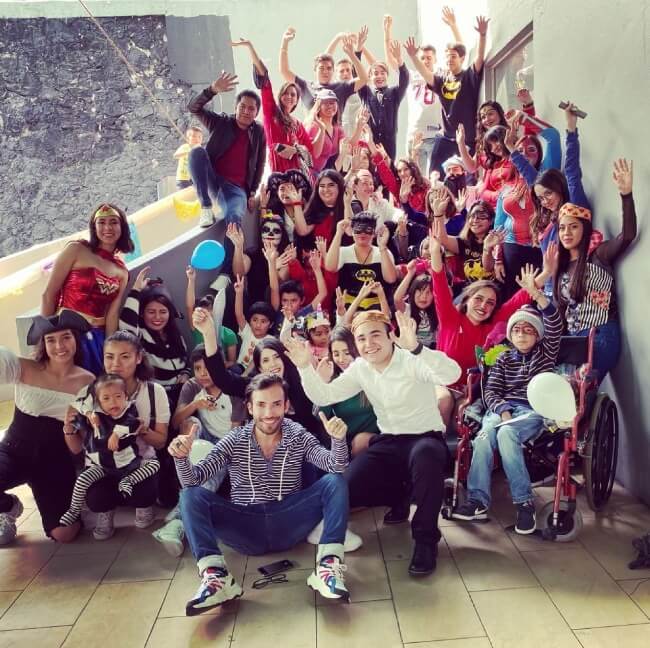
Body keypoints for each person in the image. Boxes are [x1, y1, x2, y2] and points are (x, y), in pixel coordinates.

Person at [285, 310, 461, 576]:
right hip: (388, 440)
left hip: (424, 437)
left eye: (376, 335)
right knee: (345, 487)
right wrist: (304, 367)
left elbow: (452, 374)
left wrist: (417, 348)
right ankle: (398, 496)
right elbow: (324, 395)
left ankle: (426, 542)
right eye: (362, 338)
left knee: (426, 456)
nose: (369, 344)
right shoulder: (361, 368)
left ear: (391, 335)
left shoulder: (411, 359)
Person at [170, 371, 352, 615]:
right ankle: (216, 578)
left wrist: (338, 440)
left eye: (276, 404)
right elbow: (193, 480)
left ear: (286, 405)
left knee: (335, 481)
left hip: (289, 521)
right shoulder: (234, 439)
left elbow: (335, 465)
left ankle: (328, 567)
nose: (269, 413)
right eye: (261, 405)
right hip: (246, 527)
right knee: (190, 495)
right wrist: (181, 458)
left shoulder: (297, 434)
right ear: (250, 408)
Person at [452, 272, 562, 534]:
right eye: (516, 330)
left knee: (507, 434)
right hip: (502, 409)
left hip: (532, 410)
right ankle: (478, 501)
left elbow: (555, 323)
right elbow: (491, 391)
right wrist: (502, 410)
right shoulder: (503, 359)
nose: (522, 334)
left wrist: (537, 295)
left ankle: (524, 503)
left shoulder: (545, 354)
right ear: (509, 335)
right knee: (482, 438)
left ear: (538, 336)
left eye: (528, 330)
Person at [0, 310, 94, 545]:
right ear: (43, 344)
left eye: (66, 337)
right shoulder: (23, 367)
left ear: (75, 340)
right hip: (13, 452)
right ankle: (8, 507)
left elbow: (80, 445)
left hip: (54, 462)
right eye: (51, 340)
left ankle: (70, 500)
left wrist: (70, 427)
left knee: (64, 534)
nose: (59, 346)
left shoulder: (88, 382)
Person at [77, 331, 170, 539]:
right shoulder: (90, 393)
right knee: (96, 498)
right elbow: (78, 446)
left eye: (125, 356)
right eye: (109, 357)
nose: (115, 364)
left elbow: (161, 442)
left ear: (138, 358)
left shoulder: (154, 392)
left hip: (137, 461)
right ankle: (105, 512)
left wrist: (140, 429)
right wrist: (69, 426)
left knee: (143, 491)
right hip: (103, 463)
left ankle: (144, 506)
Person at [553, 159, 636, 382]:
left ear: (585, 229)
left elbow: (627, 236)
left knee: (575, 388)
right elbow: (560, 312)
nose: (566, 233)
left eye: (573, 227)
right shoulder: (560, 267)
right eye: (562, 228)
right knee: (557, 386)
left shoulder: (598, 255)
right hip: (573, 341)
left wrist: (626, 195)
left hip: (599, 334)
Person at [41, 203, 132, 375]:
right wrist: (45, 340)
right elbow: (49, 294)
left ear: (122, 227)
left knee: (98, 385)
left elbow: (112, 315)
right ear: (94, 227)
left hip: (97, 339)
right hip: (68, 335)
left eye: (113, 222)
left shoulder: (122, 271)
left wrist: (110, 352)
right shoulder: (76, 250)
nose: (107, 227)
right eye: (101, 222)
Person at [58, 374, 161, 527]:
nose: (113, 402)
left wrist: (116, 434)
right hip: (101, 466)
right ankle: (74, 511)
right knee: (82, 480)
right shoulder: (95, 415)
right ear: (98, 402)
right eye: (106, 398)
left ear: (126, 396)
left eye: (118, 396)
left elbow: (133, 423)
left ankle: (128, 481)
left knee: (154, 465)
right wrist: (87, 415)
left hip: (128, 464)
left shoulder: (129, 409)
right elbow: (76, 405)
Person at [405, 16, 489, 177]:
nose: (449, 59)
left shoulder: (469, 76)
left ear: (462, 58)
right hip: (445, 137)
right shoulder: (441, 80)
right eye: (448, 56)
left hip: (466, 138)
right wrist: (413, 56)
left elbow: (479, 58)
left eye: (454, 56)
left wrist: (482, 35)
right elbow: (425, 73)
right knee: (434, 176)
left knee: (466, 178)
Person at [187, 71, 266, 228]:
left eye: (251, 109)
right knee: (196, 152)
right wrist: (212, 90)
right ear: (236, 107)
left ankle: (233, 245)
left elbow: (260, 163)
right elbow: (193, 108)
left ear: (256, 112)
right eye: (242, 106)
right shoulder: (221, 122)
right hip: (213, 181)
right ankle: (206, 207)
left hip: (237, 189)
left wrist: (252, 192)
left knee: (234, 220)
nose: (246, 111)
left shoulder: (258, 132)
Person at [233, 38, 314, 175]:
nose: (289, 97)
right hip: (278, 173)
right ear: (280, 96)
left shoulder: (297, 124)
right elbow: (265, 82)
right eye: (286, 93)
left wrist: (295, 150)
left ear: (296, 101)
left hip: (298, 174)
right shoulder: (271, 113)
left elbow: (310, 148)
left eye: (293, 95)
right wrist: (250, 47)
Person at [119, 269, 190, 412]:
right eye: (151, 312)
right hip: (158, 399)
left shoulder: (175, 335)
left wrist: (185, 374)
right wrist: (136, 290)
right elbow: (126, 326)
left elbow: (186, 360)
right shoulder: (140, 336)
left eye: (163, 312)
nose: (157, 317)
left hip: (183, 394)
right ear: (142, 313)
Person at [316, 326, 379, 457]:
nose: (341, 359)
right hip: (344, 442)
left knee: (361, 441)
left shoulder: (372, 372)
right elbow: (319, 415)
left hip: (376, 439)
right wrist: (323, 383)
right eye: (336, 354)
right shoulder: (332, 377)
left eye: (347, 352)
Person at [279, 27, 367, 111]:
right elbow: (284, 71)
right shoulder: (306, 86)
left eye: (329, 68)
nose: (325, 71)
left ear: (333, 71)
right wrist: (284, 43)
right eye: (321, 68)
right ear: (315, 70)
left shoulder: (341, 87)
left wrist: (352, 55)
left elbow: (363, 79)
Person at [324, 211, 397, 312]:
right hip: (350, 304)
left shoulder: (383, 252)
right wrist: (338, 234)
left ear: (374, 233)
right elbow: (330, 267)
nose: (363, 234)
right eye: (358, 229)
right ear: (352, 231)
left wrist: (382, 246)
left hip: (376, 304)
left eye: (367, 230)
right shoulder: (344, 251)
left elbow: (391, 279)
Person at [357, 39, 409, 161]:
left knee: (388, 169)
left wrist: (399, 59)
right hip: (370, 142)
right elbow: (357, 74)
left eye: (382, 73)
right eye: (375, 73)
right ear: (370, 77)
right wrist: (358, 51)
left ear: (387, 75)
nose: (379, 76)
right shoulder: (366, 93)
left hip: (389, 144)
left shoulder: (394, 92)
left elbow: (404, 79)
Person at [295, 169, 346, 245]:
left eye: (331, 185)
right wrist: (296, 203)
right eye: (322, 186)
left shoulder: (348, 207)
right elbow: (303, 231)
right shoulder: (315, 209)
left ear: (340, 187)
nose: (326, 190)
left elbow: (350, 232)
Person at [305, 88, 346, 174]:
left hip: (323, 173)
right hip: (309, 173)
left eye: (332, 102)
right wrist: (322, 129)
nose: (330, 106)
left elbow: (349, 146)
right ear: (318, 106)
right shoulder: (313, 127)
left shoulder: (337, 128)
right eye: (325, 103)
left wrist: (359, 127)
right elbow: (314, 154)